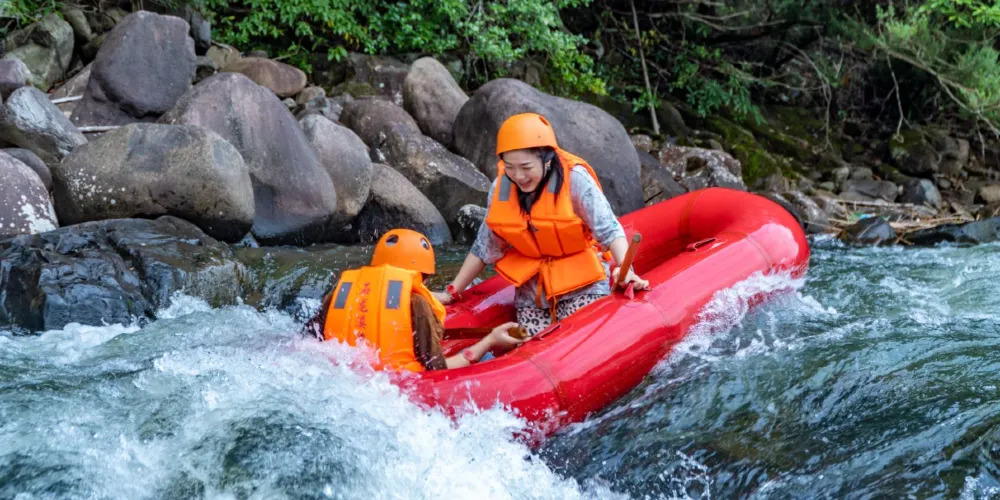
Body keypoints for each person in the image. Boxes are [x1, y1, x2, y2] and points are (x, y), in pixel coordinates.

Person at [434, 113, 650, 337]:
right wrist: (451, 292)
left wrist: (627, 270)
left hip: (583, 287)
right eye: (509, 166)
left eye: (526, 167)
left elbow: (610, 230)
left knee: (576, 341)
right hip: (532, 295)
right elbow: (484, 247)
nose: (518, 176)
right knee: (530, 346)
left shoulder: (575, 179)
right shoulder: (502, 188)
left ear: (547, 159)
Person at [303, 229, 524, 372]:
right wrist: (490, 341)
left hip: (340, 374)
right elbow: (437, 368)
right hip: (394, 388)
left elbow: (309, 340)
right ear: (423, 276)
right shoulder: (417, 303)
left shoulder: (339, 293)